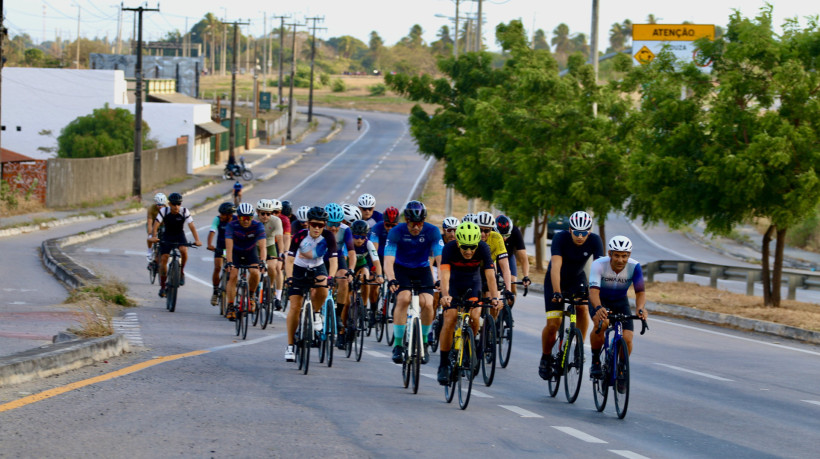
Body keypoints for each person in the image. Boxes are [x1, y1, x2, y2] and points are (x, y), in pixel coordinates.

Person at [539, 210, 604, 380]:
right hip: (556, 279)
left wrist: (598, 293)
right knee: (553, 324)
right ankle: (546, 357)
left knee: (582, 308)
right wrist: (557, 292)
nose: (580, 236)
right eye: (576, 232)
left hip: (577, 278)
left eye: (584, 233)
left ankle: (578, 348)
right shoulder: (560, 238)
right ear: (570, 230)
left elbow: (599, 269)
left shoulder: (595, 240)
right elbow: (555, 267)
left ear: (589, 231)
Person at [436, 222, 499, 385]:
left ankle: (469, 345)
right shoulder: (449, 249)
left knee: (475, 317)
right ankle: (443, 364)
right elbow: (444, 275)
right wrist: (445, 295)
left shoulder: (483, 248)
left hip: (473, 282)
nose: (469, 251)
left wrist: (495, 297)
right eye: (465, 247)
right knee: (449, 318)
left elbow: (491, 276)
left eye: (472, 247)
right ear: (458, 242)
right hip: (454, 284)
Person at [384, 200, 443, 365]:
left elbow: (441, 259)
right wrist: (391, 279)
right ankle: (397, 345)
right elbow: (388, 260)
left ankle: (423, 341)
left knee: (428, 303)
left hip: (422, 269)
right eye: (412, 224)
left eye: (419, 223)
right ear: (406, 221)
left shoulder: (432, 231)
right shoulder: (396, 232)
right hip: (401, 269)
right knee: (403, 298)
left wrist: (441, 280)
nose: (416, 227)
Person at [284, 206, 339, 362]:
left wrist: (331, 277)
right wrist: (289, 277)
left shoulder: (328, 236)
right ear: (308, 223)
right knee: (295, 306)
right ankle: (290, 346)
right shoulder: (299, 236)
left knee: (323, 288)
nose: (317, 228)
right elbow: (289, 260)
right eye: (314, 224)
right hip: (299, 268)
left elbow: (334, 261)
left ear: (324, 225)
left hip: (318, 267)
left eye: (320, 225)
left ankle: (315, 314)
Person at [588, 236, 647, 379]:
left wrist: (640, 308)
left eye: (624, 256)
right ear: (610, 254)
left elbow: (640, 292)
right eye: (617, 256)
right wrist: (598, 307)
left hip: (620, 301)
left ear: (629, 255)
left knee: (627, 338)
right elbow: (594, 291)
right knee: (602, 324)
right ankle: (596, 360)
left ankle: (621, 368)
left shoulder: (635, 266)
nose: (620, 260)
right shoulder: (598, 264)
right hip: (599, 300)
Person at [149, 192, 203, 298]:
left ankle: (181, 271)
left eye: (178, 204)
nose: (176, 207)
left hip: (179, 235)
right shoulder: (164, 211)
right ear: (169, 204)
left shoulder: (184, 211)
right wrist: (154, 236)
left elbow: (192, 226)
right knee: (164, 259)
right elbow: (156, 225)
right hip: (167, 235)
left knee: (184, 250)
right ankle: (163, 286)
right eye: (174, 204)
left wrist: (197, 240)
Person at [224, 202, 267, 320]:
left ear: (252, 217)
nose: (246, 220)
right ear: (238, 217)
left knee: (255, 272)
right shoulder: (231, 226)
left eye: (249, 218)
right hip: (235, 252)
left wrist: (263, 261)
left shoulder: (258, 226)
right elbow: (229, 247)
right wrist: (229, 262)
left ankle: (252, 295)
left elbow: (263, 247)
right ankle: (231, 306)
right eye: (243, 218)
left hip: (250, 252)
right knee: (233, 275)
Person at [324, 203, 358, 349]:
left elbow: (351, 252)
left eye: (337, 224)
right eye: (331, 224)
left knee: (343, 280)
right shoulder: (319, 229)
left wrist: (351, 269)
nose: (333, 228)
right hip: (321, 258)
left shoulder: (345, 230)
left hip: (337, 258)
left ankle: (338, 315)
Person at [349, 219, 384, 332]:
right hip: (349, 266)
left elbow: (376, 262)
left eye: (362, 237)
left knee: (365, 276)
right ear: (352, 234)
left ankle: (364, 307)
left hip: (361, 266)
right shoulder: (348, 242)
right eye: (356, 236)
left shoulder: (368, 243)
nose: (359, 240)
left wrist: (379, 275)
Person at [475, 211, 512, 314]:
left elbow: (505, 267)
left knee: (495, 305)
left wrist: (508, 289)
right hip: (473, 271)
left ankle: (490, 328)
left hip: (489, 271)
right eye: (479, 229)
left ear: (491, 229)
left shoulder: (497, 238)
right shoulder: (471, 237)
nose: (482, 234)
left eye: (486, 230)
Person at [368, 205, 399, 322]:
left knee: (398, 281)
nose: (390, 228)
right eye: (387, 225)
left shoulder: (401, 230)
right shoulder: (377, 228)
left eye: (393, 226)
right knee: (374, 281)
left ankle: (395, 306)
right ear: (383, 222)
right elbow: (373, 250)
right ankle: (373, 309)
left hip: (394, 257)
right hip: (379, 256)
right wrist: (376, 269)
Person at [495, 214, 531, 306]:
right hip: (494, 257)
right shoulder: (490, 232)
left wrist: (526, 276)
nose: (504, 238)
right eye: (501, 235)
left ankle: (508, 314)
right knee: (494, 283)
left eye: (507, 235)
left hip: (508, 256)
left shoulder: (515, 231)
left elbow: (523, 258)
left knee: (512, 282)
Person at [206, 202, 236, 306]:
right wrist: (209, 244)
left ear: (229, 215)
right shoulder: (217, 219)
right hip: (220, 247)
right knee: (218, 267)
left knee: (232, 271)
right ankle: (215, 291)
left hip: (232, 249)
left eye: (223, 214)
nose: (221, 216)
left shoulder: (236, 220)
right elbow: (212, 231)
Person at [257, 199, 284, 307]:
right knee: (254, 269)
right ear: (257, 212)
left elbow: (280, 238)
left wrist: (281, 252)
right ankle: (254, 292)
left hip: (270, 245)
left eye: (268, 214)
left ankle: (270, 286)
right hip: (256, 246)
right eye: (262, 213)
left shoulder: (276, 221)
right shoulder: (254, 220)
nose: (265, 216)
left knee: (272, 267)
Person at [146, 193, 167, 261]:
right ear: (155, 203)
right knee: (150, 237)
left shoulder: (167, 209)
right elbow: (149, 222)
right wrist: (150, 233)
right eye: (159, 205)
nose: (160, 206)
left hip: (163, 225)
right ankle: (149, 251)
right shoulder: (151, 209)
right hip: (153, 224)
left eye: (162, 205)